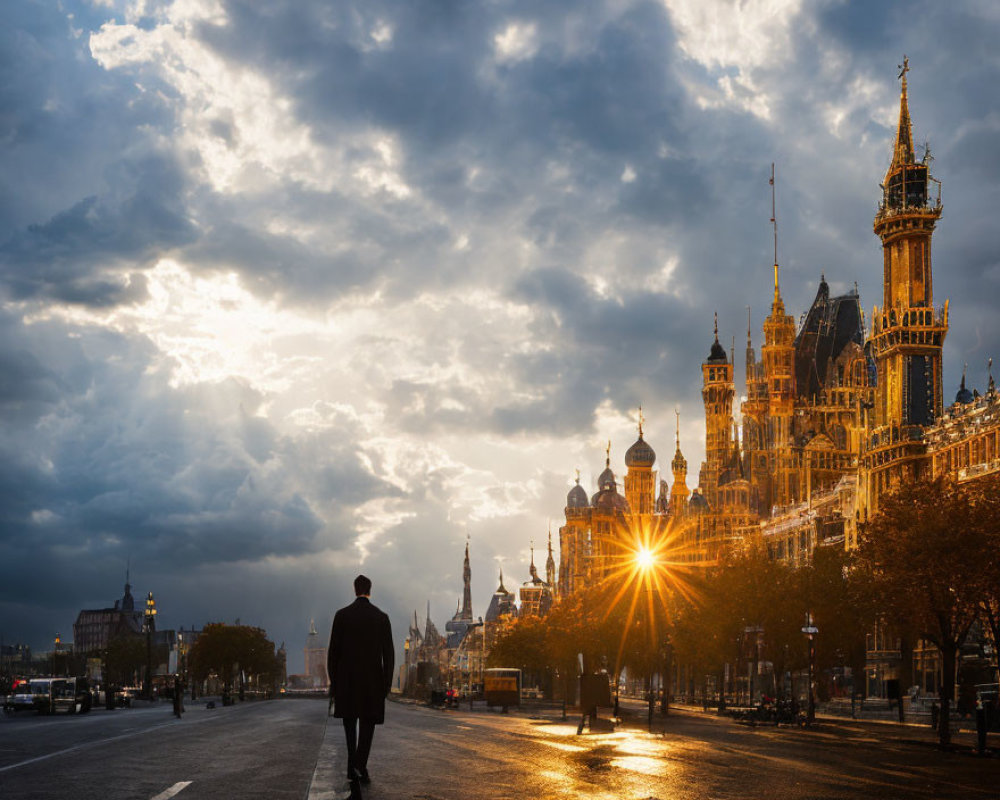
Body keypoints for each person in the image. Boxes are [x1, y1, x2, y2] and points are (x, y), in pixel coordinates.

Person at [328, 574, 394, 786]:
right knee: (368, 725)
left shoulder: (341, 616)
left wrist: (334, 683)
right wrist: (386, 684)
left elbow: (333, 654)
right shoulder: (381, 617)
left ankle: (353, 767)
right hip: (372, 682)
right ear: (370, 590)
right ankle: (359, 765)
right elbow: (389, 655)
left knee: (350, 725)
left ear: (355, 589)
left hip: (346, 681)